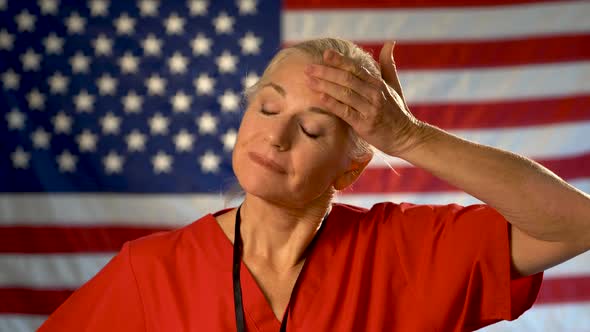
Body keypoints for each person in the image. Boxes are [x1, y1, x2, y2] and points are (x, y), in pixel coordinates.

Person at [38, 38, 590, 331]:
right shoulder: (150, 272)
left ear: (349, 170)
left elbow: (575, 223)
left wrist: (412, 138)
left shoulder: (403, 254)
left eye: (311, 128)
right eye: (267, 105)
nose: (275, 136)